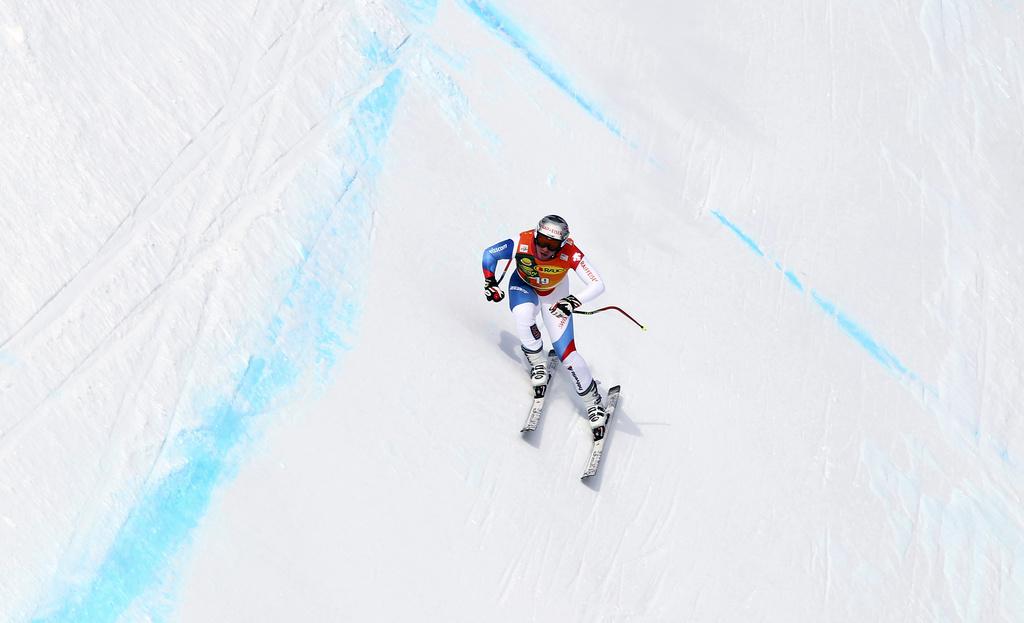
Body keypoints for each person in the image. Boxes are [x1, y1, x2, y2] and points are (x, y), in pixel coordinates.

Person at [481, 215, 608, 439]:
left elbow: (598, 284)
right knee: (523, 316)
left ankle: (593, 402)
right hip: (524, 286)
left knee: (567, 354)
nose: (544, 249)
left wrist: (573, 301)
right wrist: (490, 281)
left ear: (561, 245)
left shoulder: (571, 252)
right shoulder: (522, 241)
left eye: (551, 245)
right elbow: (490, 254)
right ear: (536, 234)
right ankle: (538, 363)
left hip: (555, 296)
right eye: (541, 241)